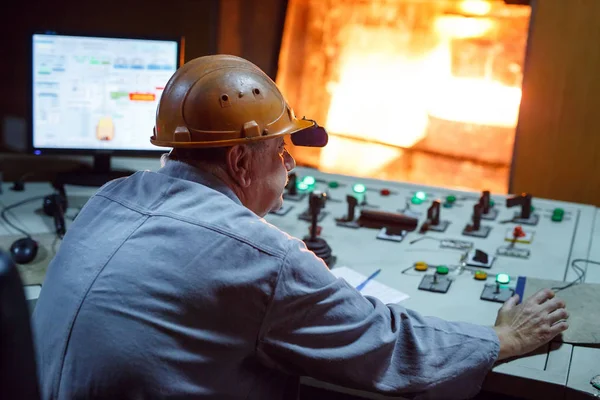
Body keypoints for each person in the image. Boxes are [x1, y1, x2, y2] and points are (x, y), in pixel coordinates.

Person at [32, 55, 569, 400]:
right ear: (242, 163)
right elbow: (388, 345)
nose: (291, 166)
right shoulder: (268, 257)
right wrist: (503, 338)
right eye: (282, 151)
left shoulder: (108, 197)